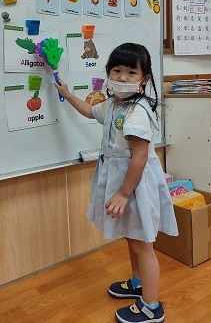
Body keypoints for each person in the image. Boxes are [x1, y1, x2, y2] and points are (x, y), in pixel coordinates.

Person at [54, 43, 178, 323]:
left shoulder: (138, 110)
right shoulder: (113, 104)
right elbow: (90, 111)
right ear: (108, 73)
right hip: (123, 183)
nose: (122, 77)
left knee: (143, 245)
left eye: (131, 72)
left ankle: (151, 306)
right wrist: (67, 94)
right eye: (117, 70)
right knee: (132, 238)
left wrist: (123, 193)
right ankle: (137, 283)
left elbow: (140, 156)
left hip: (135, 186)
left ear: (144, 79)